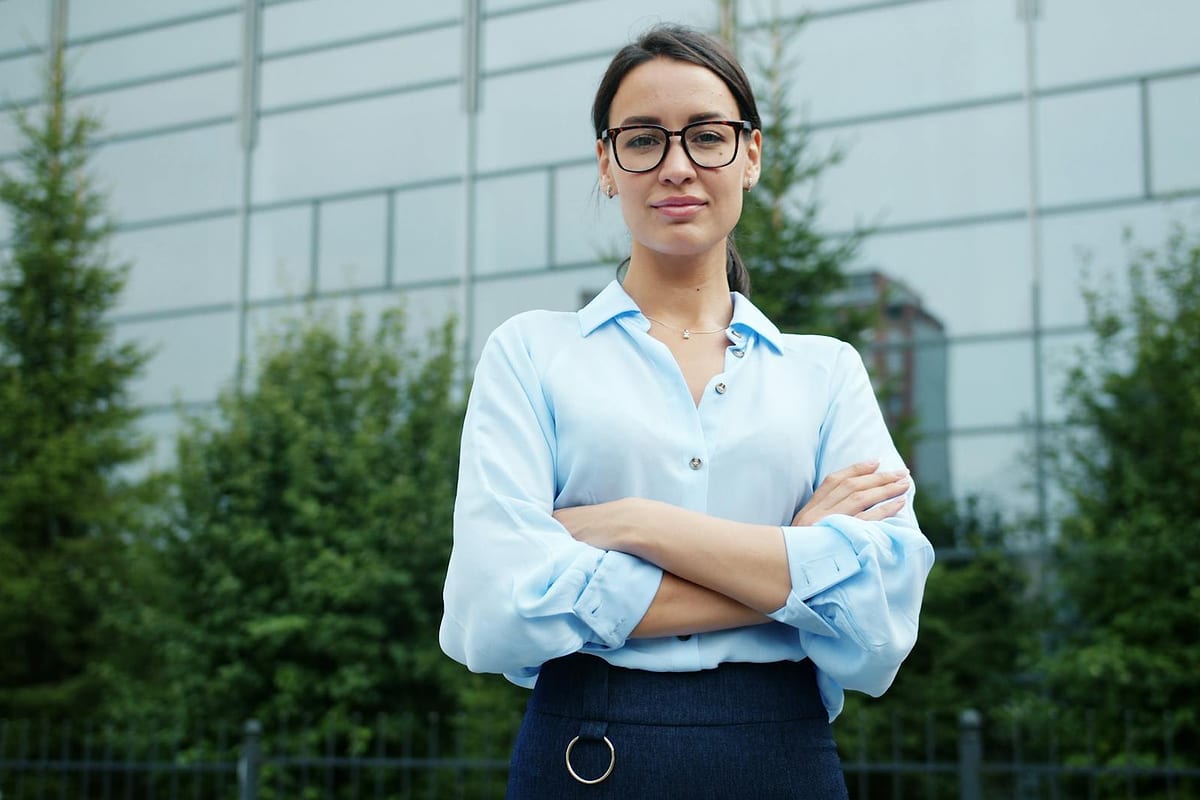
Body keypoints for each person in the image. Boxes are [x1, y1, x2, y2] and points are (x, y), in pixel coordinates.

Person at [440, 23, 935, 798]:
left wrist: (637, 522)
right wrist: (790, 561)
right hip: (586, 754)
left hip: (785, 759)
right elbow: (492, 609)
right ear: (607, 164)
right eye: (643, 140)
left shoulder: (827, 371)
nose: (677, 166)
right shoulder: (530, 353)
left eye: (707, 136)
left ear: (752, 155)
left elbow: (880, 619)